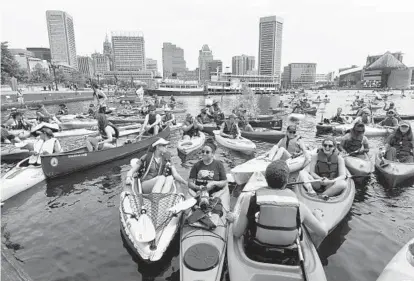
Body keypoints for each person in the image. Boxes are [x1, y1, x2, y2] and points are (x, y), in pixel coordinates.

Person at [227, 160, 328, 251]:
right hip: (287, 254)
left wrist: (235, 219)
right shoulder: (300, 206)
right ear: (286, 182)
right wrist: (318, 215)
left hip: (256, 250)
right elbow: (322, 232)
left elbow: (237, 233)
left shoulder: (249, 201)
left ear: (266, 180)